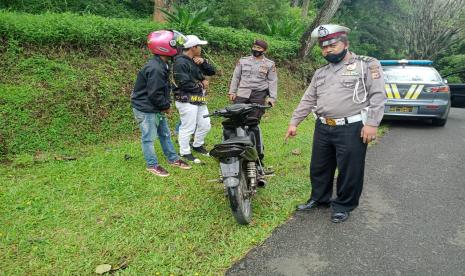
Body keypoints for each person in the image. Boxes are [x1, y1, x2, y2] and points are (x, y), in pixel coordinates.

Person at [285, 24, 386, 223]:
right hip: (323, 126)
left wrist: (372, 123)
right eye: (324, 47)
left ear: (345, 43)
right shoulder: (320, 73)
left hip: (352, 128)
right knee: (319, 166)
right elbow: (308, 99)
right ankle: (319, 198)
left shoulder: (367, 64)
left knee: (350, 169)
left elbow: (378, 95)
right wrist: (294, 121)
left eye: (333, 45)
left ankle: (343, 205)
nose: (328, 49)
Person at [131, 30, 191, 177]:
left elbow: (160, 90)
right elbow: (154, 94)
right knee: (148, 138)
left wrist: (164, 105)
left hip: (155, 106)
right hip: (146, 108)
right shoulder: (156, 68)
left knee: (164, 134)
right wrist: (166, 106)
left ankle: (173, 159)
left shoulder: (162, 64)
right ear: (164, 47)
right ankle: (152, 165)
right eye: (174, 44)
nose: (178, 47)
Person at [228, 39, 278, 168]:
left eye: (259, 48)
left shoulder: (269, 64)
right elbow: (236, 77)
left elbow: (272, 81)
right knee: (234, 121)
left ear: (264, 50)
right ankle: (232, 151)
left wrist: (272, 98)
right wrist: (232, 91)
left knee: (253, 123)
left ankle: (257, 155)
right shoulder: (243, 60)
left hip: (258, 95)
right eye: (254, 47)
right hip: (242, 94)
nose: (255, 49)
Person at [173, 35, 216, 164]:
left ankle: (197, 145)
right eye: (199, 46)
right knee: (188, 127)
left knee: (205, 124)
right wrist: (202, 84)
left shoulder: (194, 60)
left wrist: (203, 62)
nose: (201, 48)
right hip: (186, 99)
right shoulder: (180, 62)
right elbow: (183, 83)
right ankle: (185, 151)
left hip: (199, 97)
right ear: (193, 47)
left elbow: (212, 72)